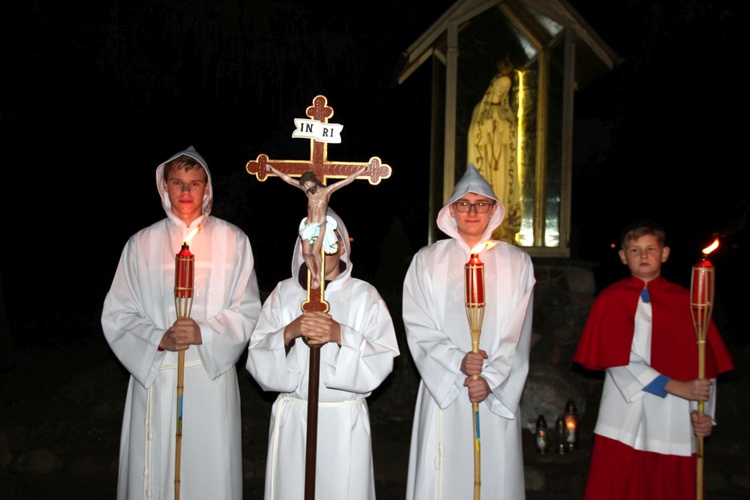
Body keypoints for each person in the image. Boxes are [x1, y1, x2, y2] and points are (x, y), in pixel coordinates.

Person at [101, 146, 261, 500]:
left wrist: (204, 331)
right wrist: (158, 338)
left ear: (208, 189)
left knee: (206, 468)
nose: (186, 193)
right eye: (178, 183)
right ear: (164, 186)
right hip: (156, 374)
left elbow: (247, 309)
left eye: (195, 183)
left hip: (209, 373)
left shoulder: (233, 242)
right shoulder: (141, 244)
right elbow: (118, 313)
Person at [573, 219, 734, 499]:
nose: (643, 256)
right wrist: (673, 385)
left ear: (665, 254)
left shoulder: (689, 302)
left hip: (675, 415)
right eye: (635, 250)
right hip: (625, 412)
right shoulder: (610, 299)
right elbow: (617, 360)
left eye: (650, 248)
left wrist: (705, 413)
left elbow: (704, 363)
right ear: (623, 257)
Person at [246, 208, 399, 500]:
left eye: (327, 240)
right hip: (295, 420)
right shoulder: (284, 294)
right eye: (310, 240)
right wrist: (289, 332)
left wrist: (340, 334)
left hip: (343, 423)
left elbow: (382, 358)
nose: (316, 250)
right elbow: (257, 356)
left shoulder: (365, 296)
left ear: (341, 245)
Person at [403, 163, 535, 499]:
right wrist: (458, 361)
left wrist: (491, 378)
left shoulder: (517, 262)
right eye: (464, 203)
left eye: (481, 204)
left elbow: (517, 333)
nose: (472, 211)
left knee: (493, 473)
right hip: (444, 386)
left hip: (493, 389)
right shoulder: (427, 260)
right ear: (451, 211)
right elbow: (417, 324)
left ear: (494, 210)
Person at [266, 164, 367, 289]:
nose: (305, 186)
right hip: (309, 225)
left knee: (315, 252)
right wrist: (273, 169)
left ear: (313, 181)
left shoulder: (326, 191)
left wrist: (361, 171)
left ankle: (317, 276)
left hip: (321, 225)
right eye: (304, 185)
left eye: (307, 184)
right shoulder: (307, 192)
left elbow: (346, 181)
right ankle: (314, 275)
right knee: (306, 254)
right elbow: (288, 180)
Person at [466, 57, 522, 244]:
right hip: (486, 161)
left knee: (502, 190)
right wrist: (485, 128)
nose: (500, 91)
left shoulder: (508, 114)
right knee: (487, 189)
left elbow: (513, 138)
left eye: (504, 89)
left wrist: (504, 130)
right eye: (498, 87)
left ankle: (502, 226)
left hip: (503, 161)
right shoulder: (479, 111)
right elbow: (474, 134)